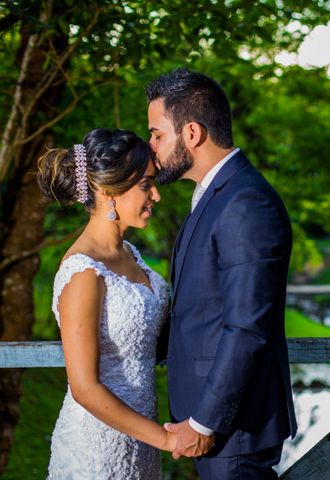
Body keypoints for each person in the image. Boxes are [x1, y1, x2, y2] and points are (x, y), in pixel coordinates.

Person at [147, 68, 297, 479]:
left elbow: (248, 326)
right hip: (213, 423)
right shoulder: (216, 194)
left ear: (191, 133)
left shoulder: (245, 202)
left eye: (157, 134)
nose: (151, 146)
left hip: (232, 429)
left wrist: (204, 423)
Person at [38, 128, 174, 479]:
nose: (156, 195)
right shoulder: (83, 271)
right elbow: (84, 388)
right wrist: (167, 440)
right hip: (97, 448)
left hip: (140, 441)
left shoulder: (131, 253)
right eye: (146, 185)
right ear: (106, 191)